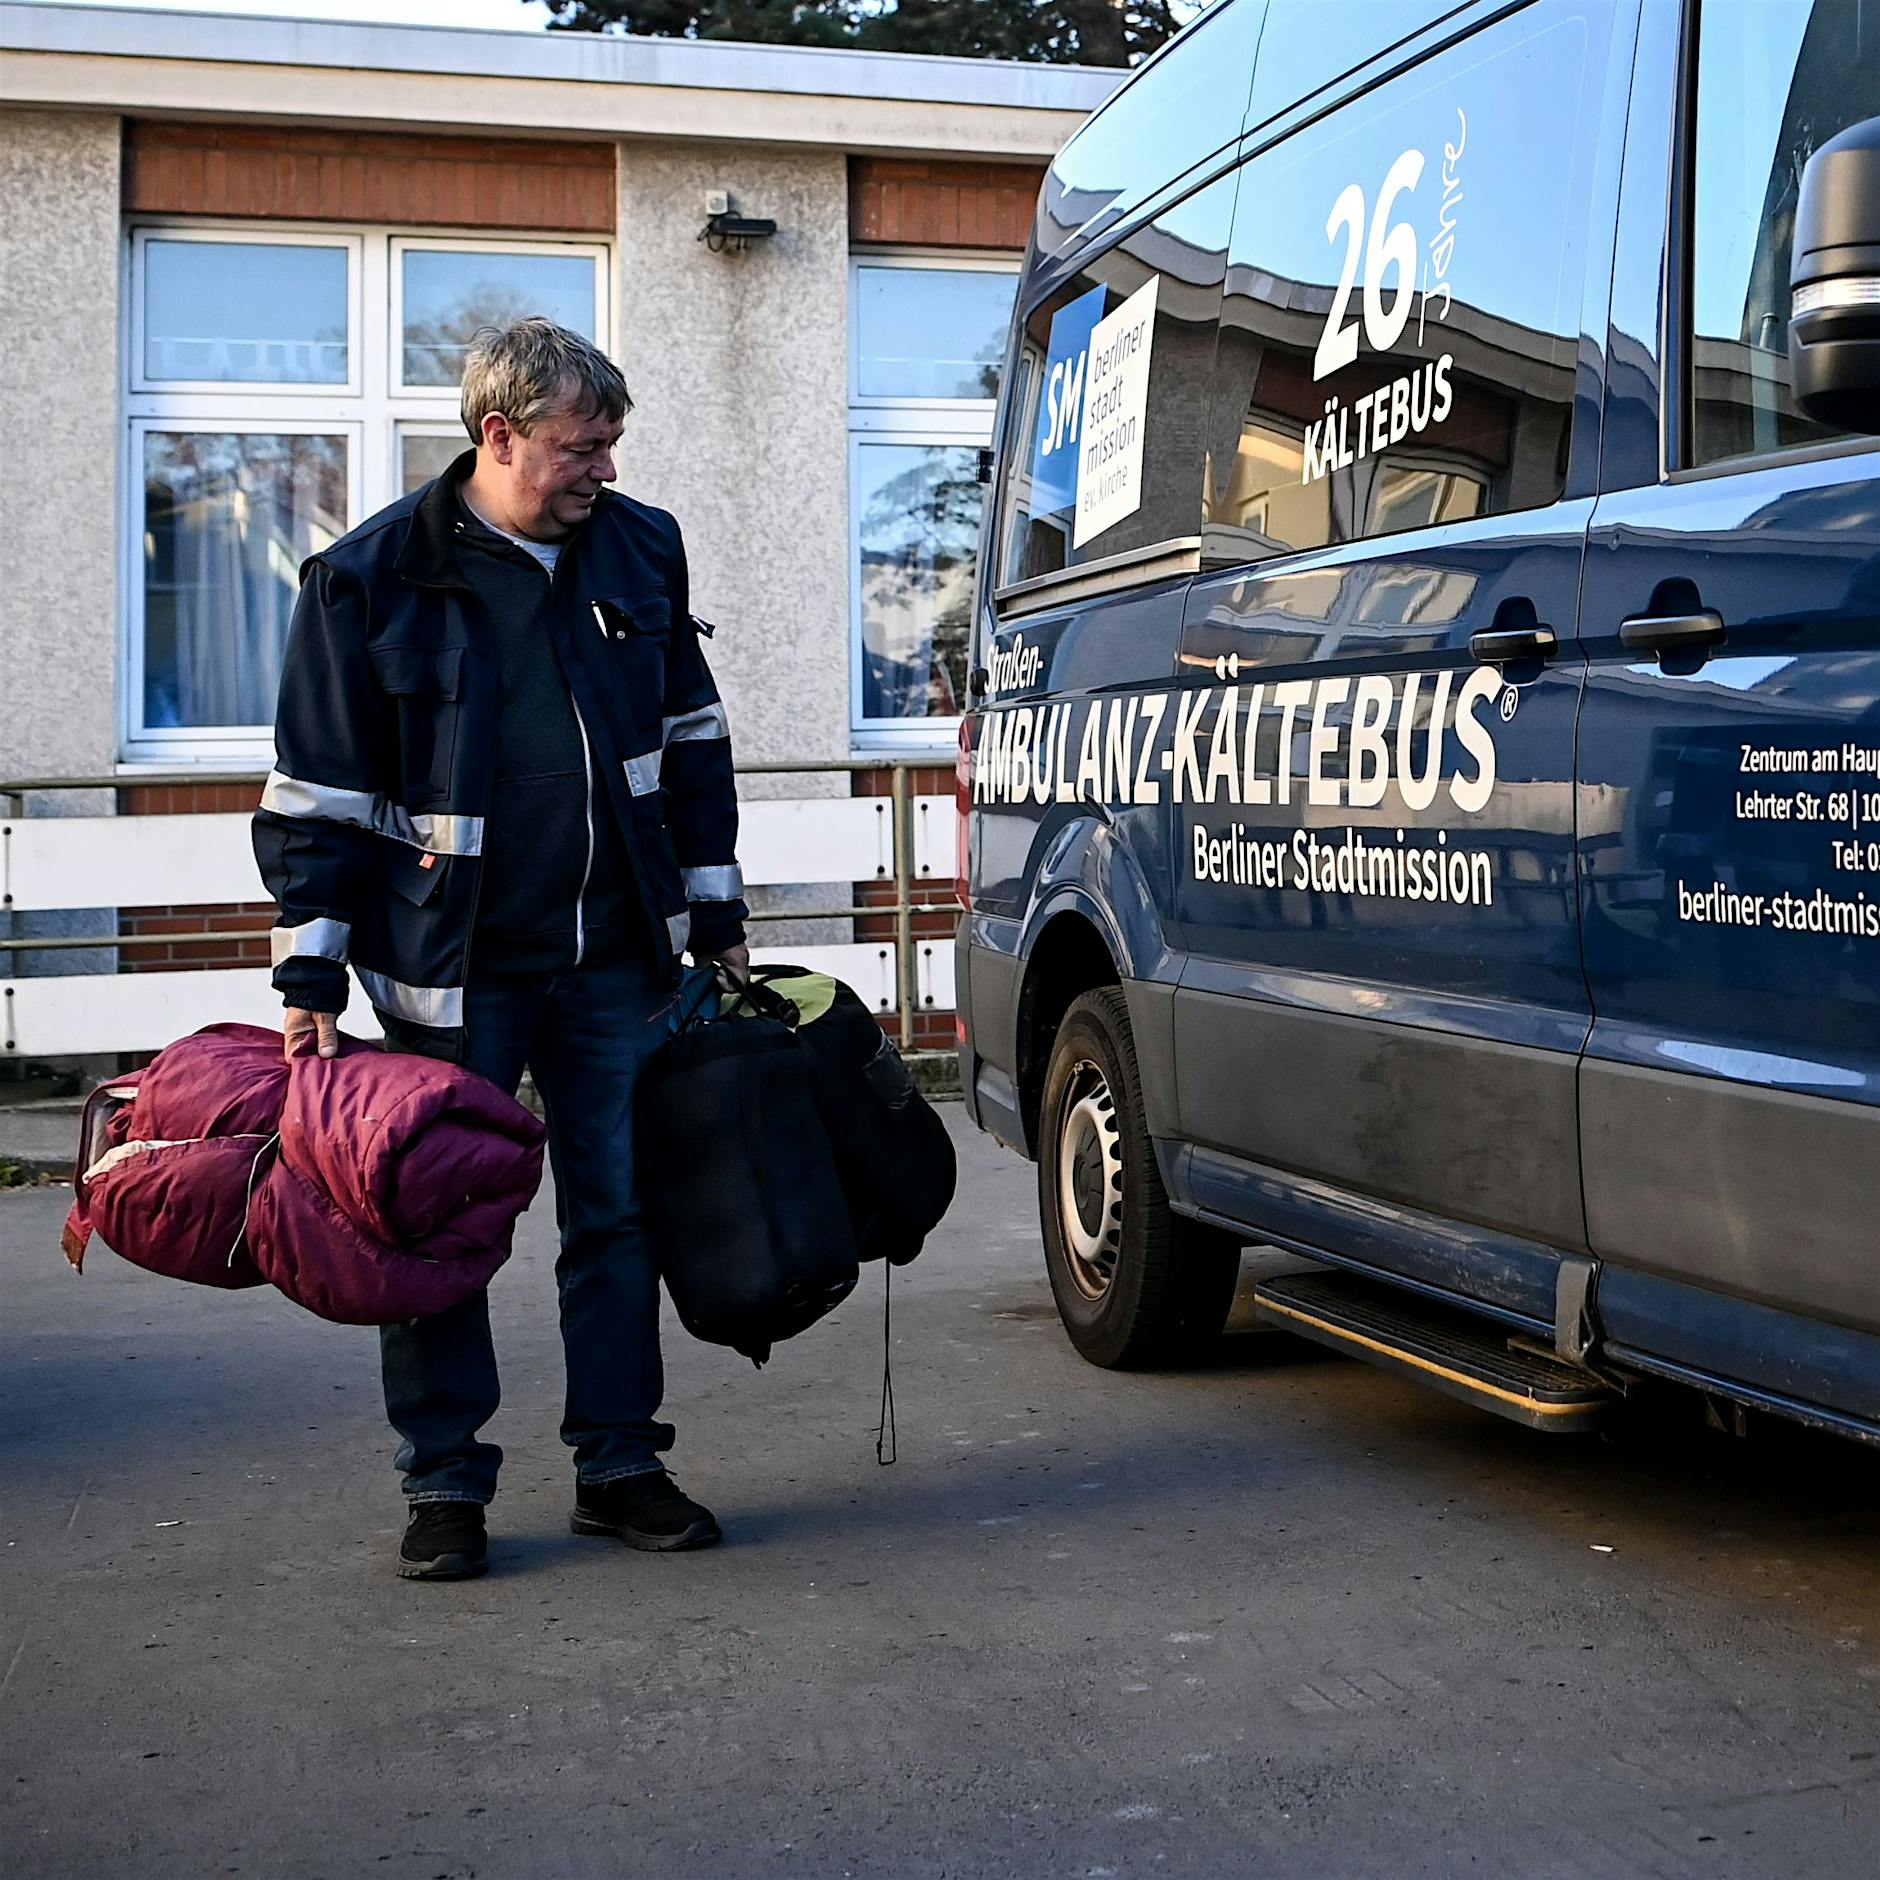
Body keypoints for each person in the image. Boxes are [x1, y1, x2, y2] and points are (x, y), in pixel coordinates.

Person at [254, 317, 748, 1581]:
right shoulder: (368, 579)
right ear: (498, 435)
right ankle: (444, 1482)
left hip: (615, 960)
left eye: (612, 445)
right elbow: (317, 797)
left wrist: (716, 910)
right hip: (450, 973)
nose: (606, 472)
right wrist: (310, 968)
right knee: (431, 1227)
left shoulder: (641, 550)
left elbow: (689, 741)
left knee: (618, 1214)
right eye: (583, 448)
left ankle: (619, 1462)